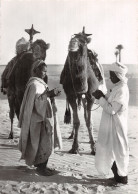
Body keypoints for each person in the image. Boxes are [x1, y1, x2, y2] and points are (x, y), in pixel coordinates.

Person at [18, 60, 62, 176]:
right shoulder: (33, 85)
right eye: (43, 71)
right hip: (37, 120)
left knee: (44, 143)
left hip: (43, 118)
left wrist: (51, 95)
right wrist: (48, 94)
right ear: (36, 70)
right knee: (43, 143)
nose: (44, 73)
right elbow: (34, 104)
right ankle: (41, 168)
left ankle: (42, 166)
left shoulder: (40, 83)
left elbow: (42, 98)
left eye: (46, 71)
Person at [93, 62, 129, 184]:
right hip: (110, 126)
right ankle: (117, 177)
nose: (110, 78)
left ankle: (122, 178)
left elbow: (112, 109)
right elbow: (108, 101)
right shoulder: (117, 88)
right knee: (109, 150)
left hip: (117, 127)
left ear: (118, 76)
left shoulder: (122, 90)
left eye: (112, 75)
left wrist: (101, 98)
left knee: (118, 151)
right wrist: (100, 95)